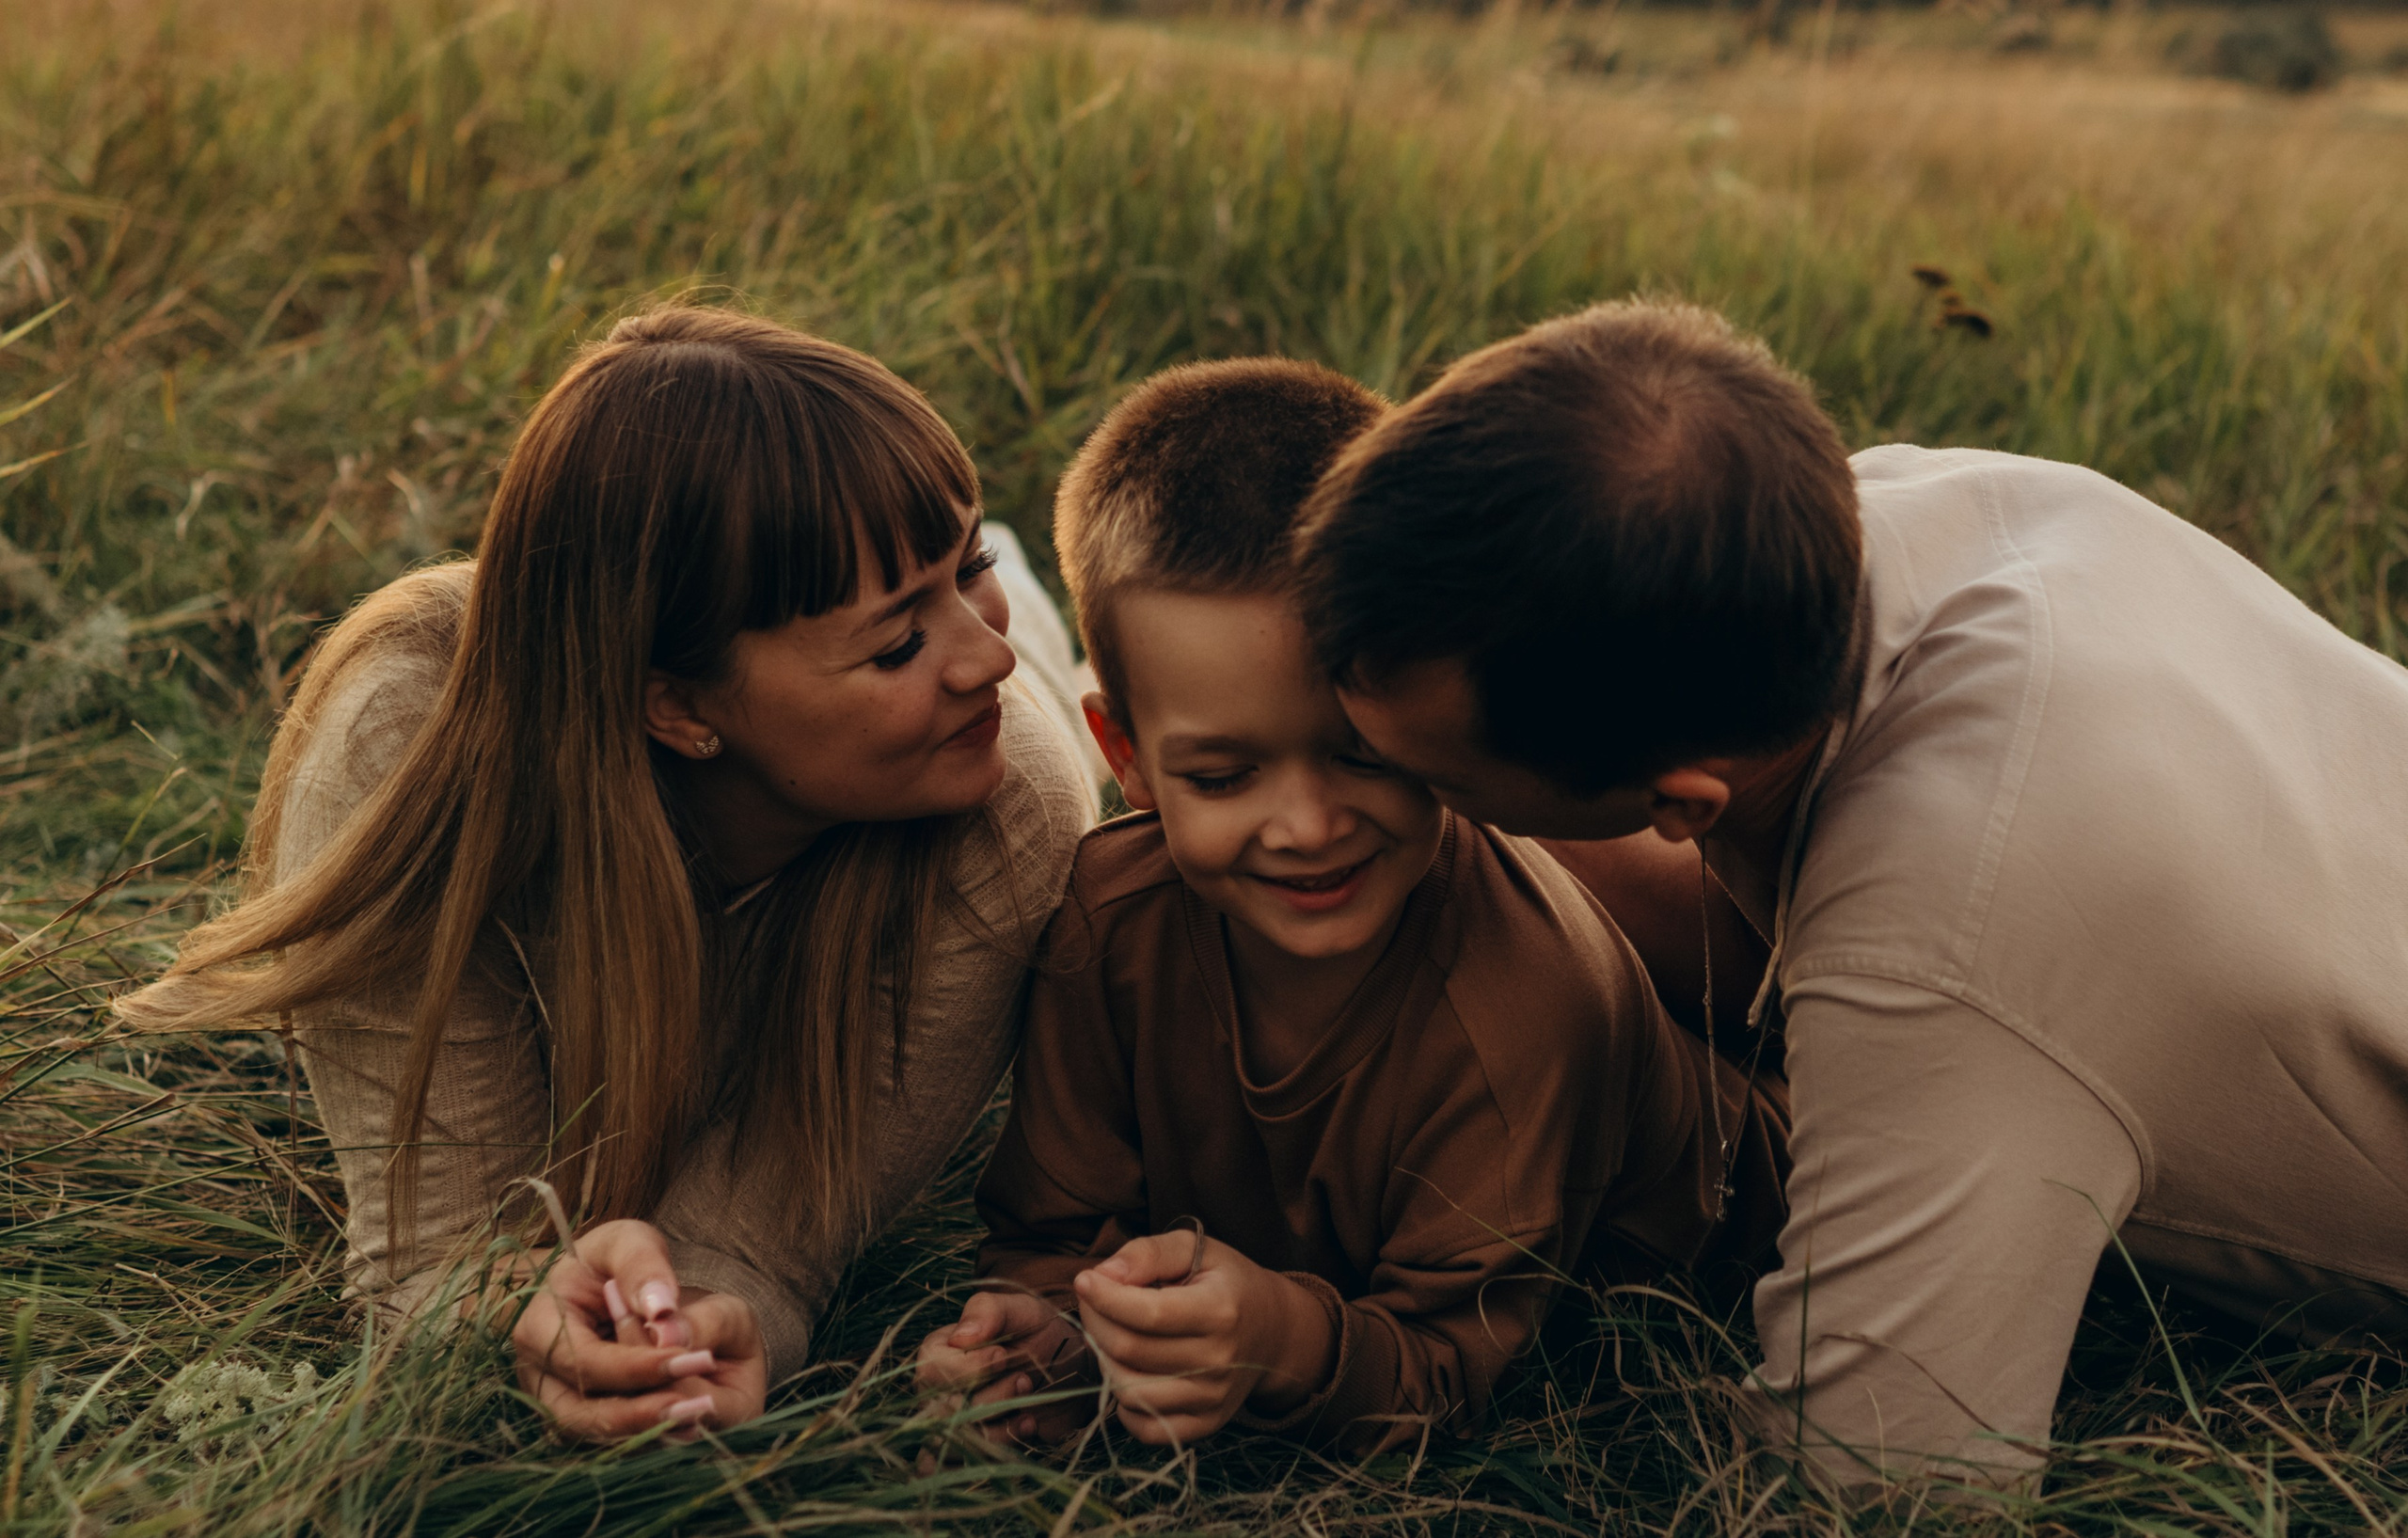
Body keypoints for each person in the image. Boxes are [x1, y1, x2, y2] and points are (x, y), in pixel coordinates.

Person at [1291, 298, 2408, 1489]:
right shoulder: (1910, 515)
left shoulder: (1948, 944)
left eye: (1427, 781)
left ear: (1679, 805)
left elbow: (1889, 1481)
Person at [116, 308, 1096, 1439]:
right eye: (896, 645)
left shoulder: (1010, 801)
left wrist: (717, 1328)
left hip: (1026, 758)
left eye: (960, 569)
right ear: (675, 704)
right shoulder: (404, 754)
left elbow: (766, 1245)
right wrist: (534, 1312)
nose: (985, 652)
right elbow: (435, 1257)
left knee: (1047, 695)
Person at [912, 358, 1790, 1455]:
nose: (1307, 826)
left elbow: (1446, 1375)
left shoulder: (1523, 1014)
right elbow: (1048, 1227)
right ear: (1126, 759)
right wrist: (1041, 1338)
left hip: (1768, 1202)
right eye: (1224, 776)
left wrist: (1280, 1339)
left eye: (1361, 754)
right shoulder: (1108, 915)